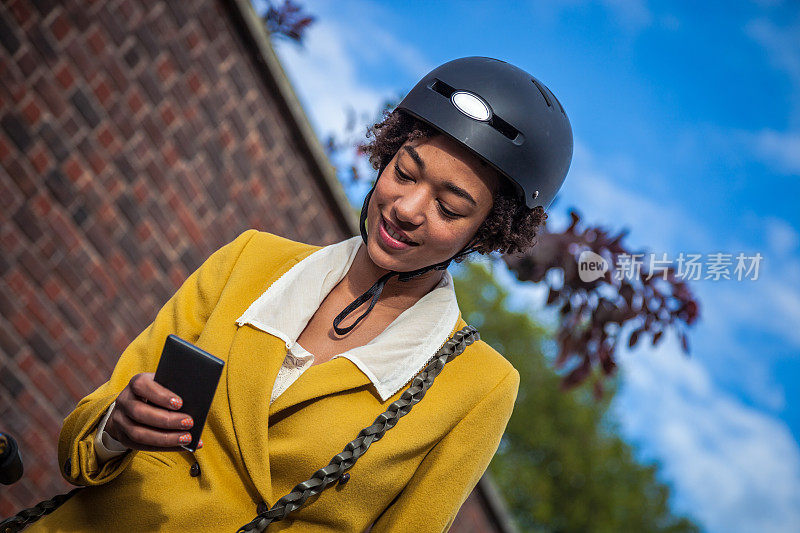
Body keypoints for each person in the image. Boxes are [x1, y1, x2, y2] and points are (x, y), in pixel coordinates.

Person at [19, 56, 572, 532]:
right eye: (405, 173)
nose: (407, 207)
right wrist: (116, 427)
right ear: (387, 156)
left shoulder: (479, 387)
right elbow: (79, 446)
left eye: (450, 207)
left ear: (487, 231)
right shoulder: (249, 258)